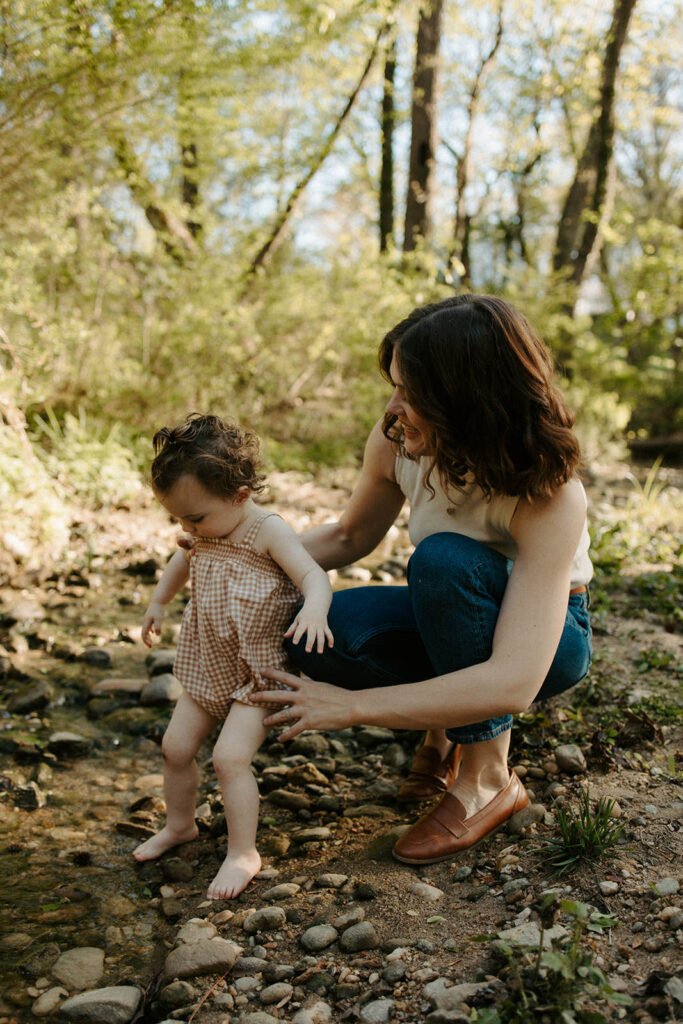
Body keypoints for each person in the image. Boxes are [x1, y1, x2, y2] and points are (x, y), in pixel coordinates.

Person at [253, 294, 593, 865]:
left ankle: (487, 778)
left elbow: (513, 681)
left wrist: (351, 708)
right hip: (447, 611)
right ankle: (446, 727)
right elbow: (348, 537)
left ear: (468, 402)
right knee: (316, 628)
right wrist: (237, 557)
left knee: (443, 561)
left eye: (412, 394)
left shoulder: (551, 496)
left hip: (548, 640)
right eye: (395, 387)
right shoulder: (397, 440)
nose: (393, 408)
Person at [133, 414, 333, 898]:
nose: (186, 528)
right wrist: (159, 602)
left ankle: (244, 852)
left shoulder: (266, 531)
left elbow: (314, 577)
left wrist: (316, 612)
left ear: (240, 495)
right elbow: (182, 559)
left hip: (259, 672)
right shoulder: (205, 529)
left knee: (228, 758)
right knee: (175, 748)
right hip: (209, 663)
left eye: (194, 518)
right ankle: (181, 825)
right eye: (178, 519)